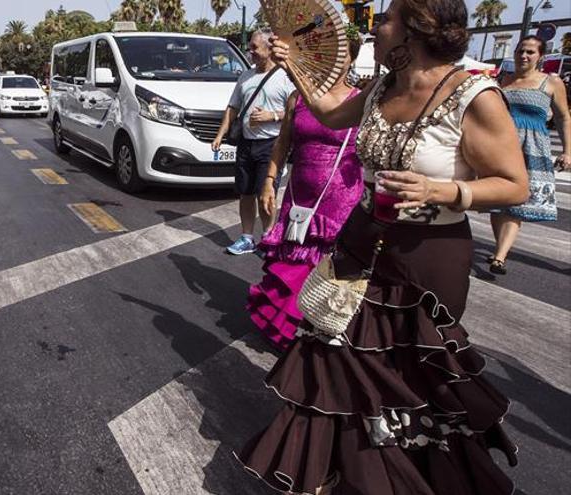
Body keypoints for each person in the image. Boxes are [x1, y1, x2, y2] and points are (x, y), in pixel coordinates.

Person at [236, 0, 529, 493]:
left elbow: (513, 184)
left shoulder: (473, 95)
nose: (377, 25)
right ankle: (349, 473)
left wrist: (447, 190)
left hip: (428, 256)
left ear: (415, 29)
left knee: (411, 377)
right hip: (361, 241)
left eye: (387, 17)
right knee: (340, 359)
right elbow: (329, 114)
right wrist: (296, 66)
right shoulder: (381, 87)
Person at [248, 34, 364, 352]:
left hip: (339, 199)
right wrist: (270, 180)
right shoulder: (299, 97)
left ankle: (319, 328)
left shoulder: (361, 100)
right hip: (299, 195)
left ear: (352, 59)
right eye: (327, 54)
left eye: (340, 56)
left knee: (325, 267)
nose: (332, 61)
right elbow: (283, 142)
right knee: (291, 258)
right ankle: (285, 328)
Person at [488, 35, 570, 275]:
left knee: (517, 203)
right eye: (520, 51)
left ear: (540, 56)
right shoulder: (504, 80)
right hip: (502, 146)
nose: (524, 56)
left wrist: (568, 151)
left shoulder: (551, 83)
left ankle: (500, 257)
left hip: (532, 148)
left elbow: (564, 117)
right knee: (497, 203)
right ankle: (499, 248)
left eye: (530, 52)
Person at [212, 29, 295, 255]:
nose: (250, 51)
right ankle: (246, 238)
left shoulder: (286, 77)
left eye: (255, 48)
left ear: (270, 49)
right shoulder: (246, 76)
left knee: (265, 194)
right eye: (250, 47)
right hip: (246, 144)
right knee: (245, 192)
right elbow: (233, 107)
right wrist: (220, 134)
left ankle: (268, 238)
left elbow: (296, 111)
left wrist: (273, 116)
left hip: (272, 145)